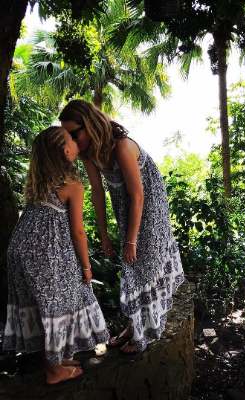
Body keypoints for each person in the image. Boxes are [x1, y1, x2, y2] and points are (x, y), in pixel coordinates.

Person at [59, 100, 185, 354]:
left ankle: (144, 334)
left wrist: (131, 240)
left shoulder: (122, 146)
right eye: (68, 135)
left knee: (142, 264)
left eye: (75, 132)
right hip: (126, 206)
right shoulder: (89, 154)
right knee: (130, 267)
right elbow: (97, 193)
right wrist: (104, 235)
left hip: (148, 205)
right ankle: (134, 325)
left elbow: (139, 194)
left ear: (90, 124)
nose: (73, 139)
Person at [3, 127, 109, 384]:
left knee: (43, 305)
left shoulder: (41, 182)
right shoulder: (72, 185)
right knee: (56, 305)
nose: (76, 141)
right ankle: (54, 371)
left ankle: (58, 358)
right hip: (44, 253)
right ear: (64, 151)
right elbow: (78, 232)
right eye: (72, 139)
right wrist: (86, 268)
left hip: (20, 249)